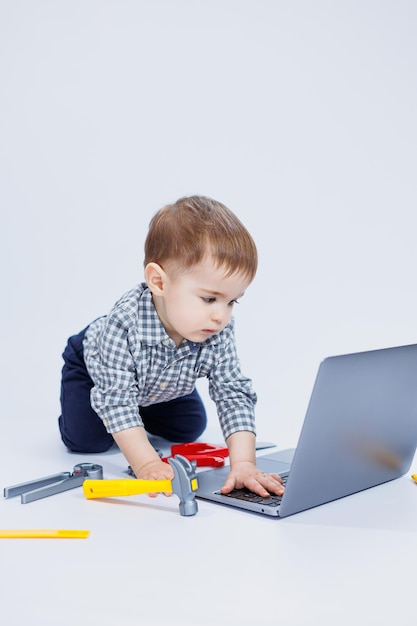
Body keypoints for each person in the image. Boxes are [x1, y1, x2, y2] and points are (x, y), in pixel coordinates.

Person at [58, 195, 284, 498]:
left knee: (189, 427)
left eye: (232, 301)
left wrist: (243, 462)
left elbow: (232, 392)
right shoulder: (123, 325)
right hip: (97, 369)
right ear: (159, 282)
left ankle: (142, 410)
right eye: (209, 298)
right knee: (87, 440)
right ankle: (118, 417)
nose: (221, 315)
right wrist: (147, 462)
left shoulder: (217, 327)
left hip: (159, 378)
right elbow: (117, 402)